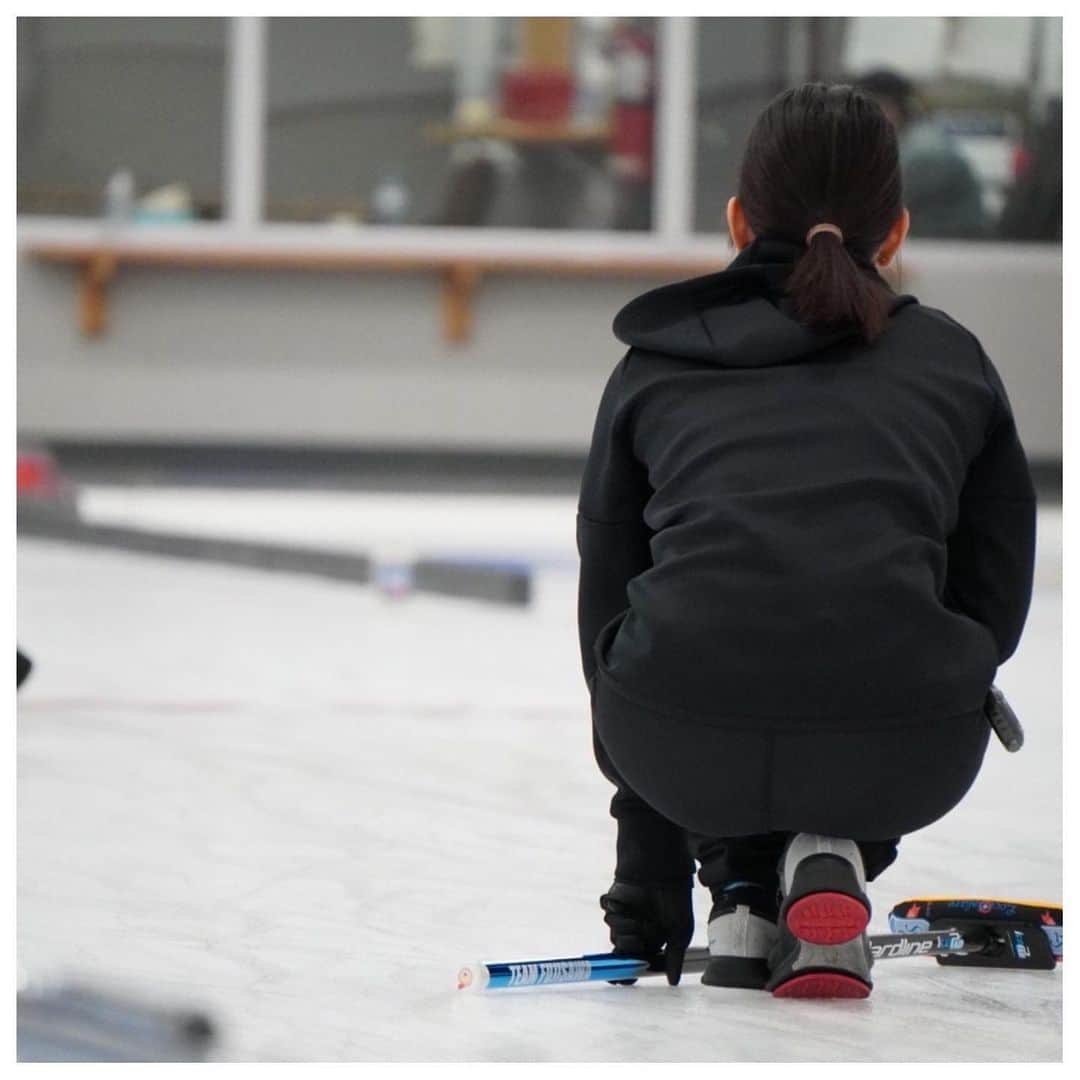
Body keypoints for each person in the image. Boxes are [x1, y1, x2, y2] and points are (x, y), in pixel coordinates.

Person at [577, 82, 1035, 999]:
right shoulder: (955, 361)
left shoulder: (655, 365)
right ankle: (840, 854)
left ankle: (740, 889)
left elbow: (612, 631)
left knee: (693, 652)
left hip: (678, 746)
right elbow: (996, 601)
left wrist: (646, 886)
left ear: (739, 221)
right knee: (850, 661)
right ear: (895, 233)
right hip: (908, 752)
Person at [855, 69, 988, 239]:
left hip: (957, 252)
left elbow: (874, 211)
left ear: (895, 108)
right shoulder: (906, 143)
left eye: (866, 108)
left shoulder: (924, 154)